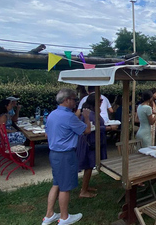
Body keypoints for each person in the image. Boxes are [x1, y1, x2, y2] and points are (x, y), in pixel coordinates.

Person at [42, 88, 91, 225]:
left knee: (56, 183)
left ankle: (49, 215)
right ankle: (64, 218)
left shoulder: (52, 114)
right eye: (74, 99)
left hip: (54, 153)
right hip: (66, 154)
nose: (75, 102)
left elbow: (47, 134)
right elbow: (86, 130)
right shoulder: (68, 116)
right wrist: (86, 117)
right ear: (67, 100)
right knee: (65, 187)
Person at [76, 94, 116, 198]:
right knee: (89, 166)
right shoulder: (89, 114)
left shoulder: (92, 112)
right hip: (90, 142)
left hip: (93, 141)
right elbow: (94, 128)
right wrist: (109, 128)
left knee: (90, 165)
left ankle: (86, 186)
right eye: (100, 100)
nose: (102, 102)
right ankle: (83, 191)